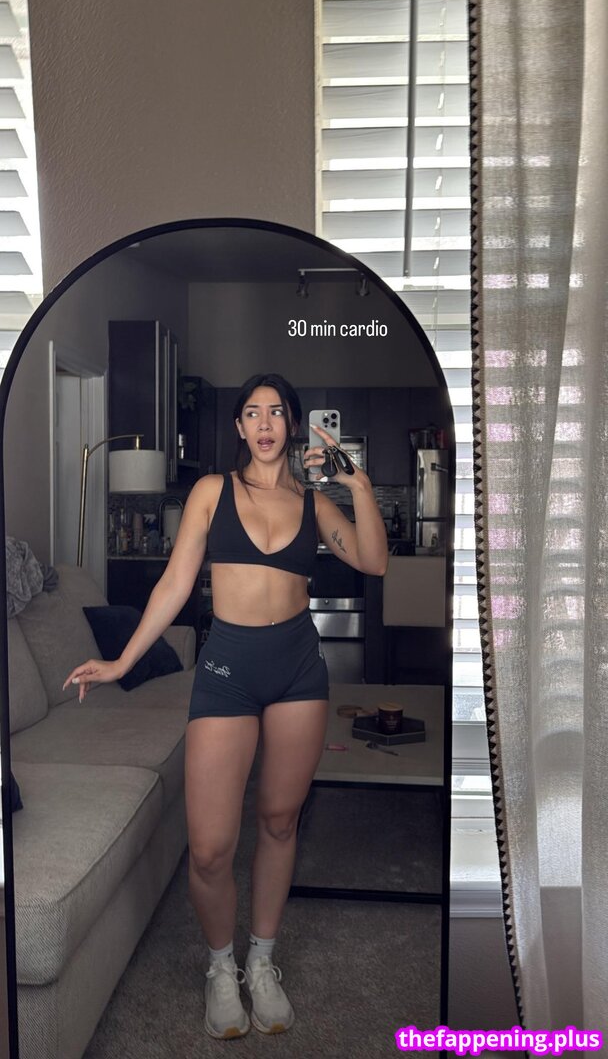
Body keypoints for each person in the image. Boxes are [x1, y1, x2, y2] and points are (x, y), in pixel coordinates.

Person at [63, 373, 388, 1039]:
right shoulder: (213, 492)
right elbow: (175, 583)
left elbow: (374, 562)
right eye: (252, 413)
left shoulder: (314, 502)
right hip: (227, 671)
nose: (265, 423)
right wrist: (123, 661)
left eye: (277, 412)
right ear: (239, 427)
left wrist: (356, 485)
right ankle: (220, 966)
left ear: (291, 425)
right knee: (210, 848)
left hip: (298, 672)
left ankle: (261, 961)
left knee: (279, 821)